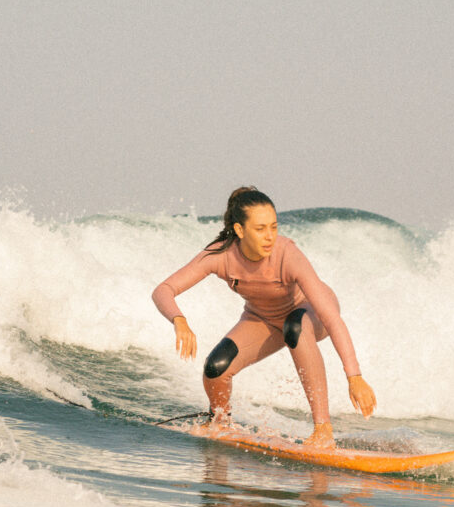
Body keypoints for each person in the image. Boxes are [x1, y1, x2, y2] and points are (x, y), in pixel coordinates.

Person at [152, 187, 377, 447]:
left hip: (309, 313)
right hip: (262, 319)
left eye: (274, 227)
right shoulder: (221, 255)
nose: (269, 236)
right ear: (239, 230)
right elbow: (163, 290)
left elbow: (331, 317)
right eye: (260, 229)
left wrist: (354, 376)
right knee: (216, 369)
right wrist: (179, 320)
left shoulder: (287, 255)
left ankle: (323, 430)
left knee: (295, 327)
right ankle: (220, 421)